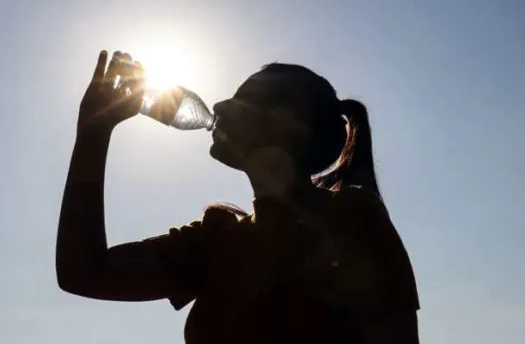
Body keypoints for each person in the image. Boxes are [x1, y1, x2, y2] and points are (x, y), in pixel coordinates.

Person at [56, 50, 420, 344]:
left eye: (242, 99)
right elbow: (83, 273)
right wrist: (93, 133)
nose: (220, 106)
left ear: (289, 123)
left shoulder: (353, 218)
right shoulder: (217, 239)